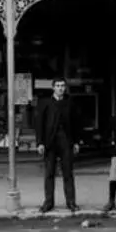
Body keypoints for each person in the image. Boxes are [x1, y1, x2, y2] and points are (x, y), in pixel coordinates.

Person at [36, 77, 80, 213]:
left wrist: (76, 141)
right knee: (49, 173)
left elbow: (76, 123)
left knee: (68, 173)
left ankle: (71, 202)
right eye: (58, 86)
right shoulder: (45, 103)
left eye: (62, 86)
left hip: (66, 141)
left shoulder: (70, 103)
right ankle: (48, 202)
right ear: (53, 87)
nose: (60, 88)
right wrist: (40, 142)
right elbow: (39, 124)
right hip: (50, 142)